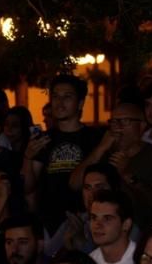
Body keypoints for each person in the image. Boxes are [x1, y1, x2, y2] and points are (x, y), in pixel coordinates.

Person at [23, 74, 104, 237]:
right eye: (55, 97)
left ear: (80, 103)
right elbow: (27, 187)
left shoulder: (96, 138)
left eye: (67, 97)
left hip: (87, 221)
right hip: (50, 222)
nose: (59, 103)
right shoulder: (43, 140)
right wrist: (27, 157)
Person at [69, 102, 152, 231]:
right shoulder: (103, 153)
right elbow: (74, 184)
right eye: (113, 122)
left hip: (143, 229)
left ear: (142, 126)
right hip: (106, 228)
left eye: (125, 121)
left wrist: (127, 175)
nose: (118, 127)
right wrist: (101, 148)